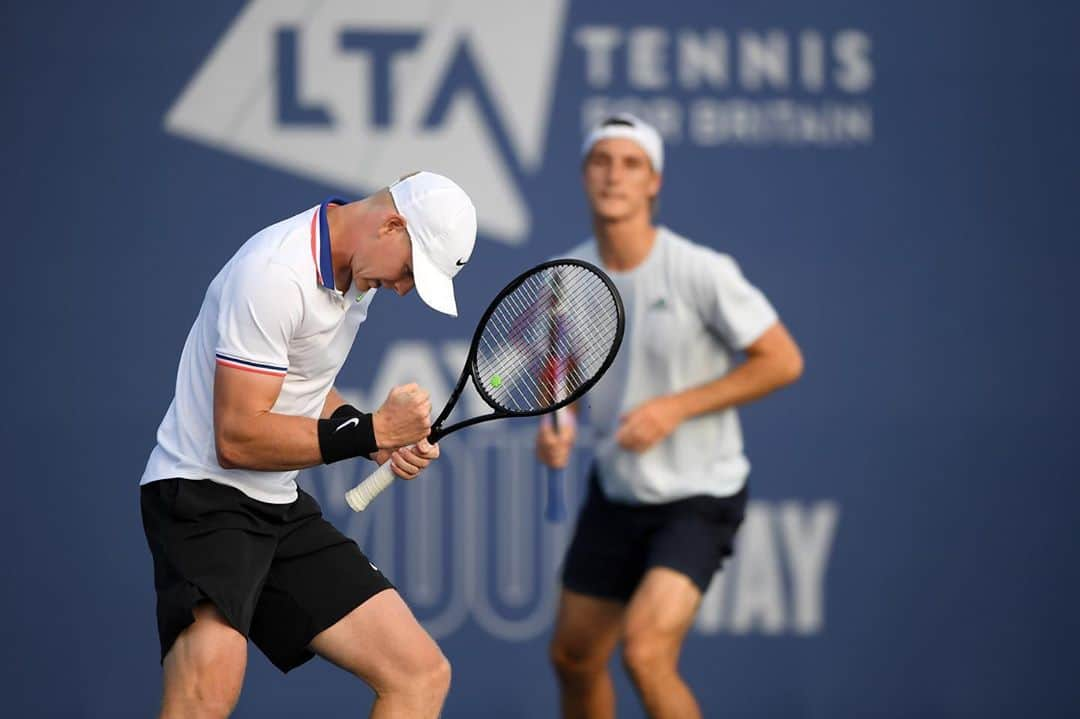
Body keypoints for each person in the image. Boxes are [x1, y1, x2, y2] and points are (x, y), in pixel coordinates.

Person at [140, 171, 477, 719]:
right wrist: (372, 431)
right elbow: (237, 438)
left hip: (276, 504)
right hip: (202, 499)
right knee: (204, 699)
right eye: (411, 271)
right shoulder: (275, 274)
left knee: (419, 676)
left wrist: (373, 440)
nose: (404, 288)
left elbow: (302, 385)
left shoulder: (357, 277)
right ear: (391, 225)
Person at [536, 114, 804, 719]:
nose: (614, 176)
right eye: (602, 161)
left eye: (631, 164)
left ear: (653, 182)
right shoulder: (565, 279)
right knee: (573, 657)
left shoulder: (700, 270)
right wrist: (560, 426)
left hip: (699, 496)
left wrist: (675, 407)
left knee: (647, 652)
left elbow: (783, 361)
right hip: (617, 493)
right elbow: (569, 379)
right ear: (584, 175)